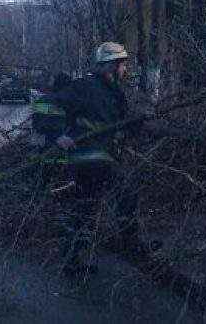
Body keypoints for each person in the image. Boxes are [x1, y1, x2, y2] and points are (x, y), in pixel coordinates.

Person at [54, 42, 146, 274]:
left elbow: (123, 124)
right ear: (110, 66)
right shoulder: (83, 87)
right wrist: (57, 135)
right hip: (88, 157)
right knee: (124, 191)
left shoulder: (114, 93)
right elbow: (48, 104)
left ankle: (72, 260)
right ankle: (130, 246)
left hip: (100, 157)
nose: (125, 70)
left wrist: (141, 123)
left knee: (86, 208)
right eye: (122, 65)